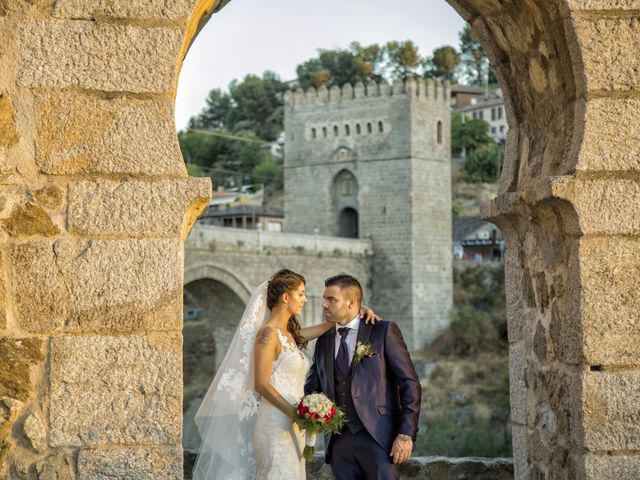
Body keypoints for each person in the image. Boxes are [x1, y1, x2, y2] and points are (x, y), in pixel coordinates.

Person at [193, 269, 379, 480]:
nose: (305, 300)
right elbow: (261, 384)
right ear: (285, 297)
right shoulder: (267, 334)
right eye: (300, 294)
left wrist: (355, 309)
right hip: (274, 424)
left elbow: (329, 325)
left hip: (293, 424)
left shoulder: (289, 336)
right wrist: (296, 414)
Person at [305, 274, 421, 480]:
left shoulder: (382, 330)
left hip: (379, 439)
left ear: (352, 303)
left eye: (331, 299)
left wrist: (406, 434)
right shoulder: (323, 340)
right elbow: (313, 387)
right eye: (324, 298)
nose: (323, 304)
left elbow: (409, 383)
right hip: (338, 443)